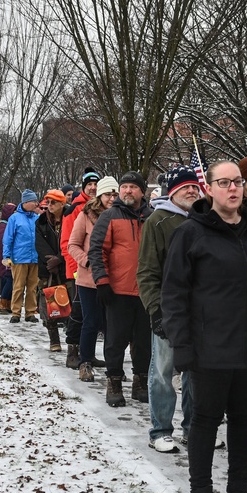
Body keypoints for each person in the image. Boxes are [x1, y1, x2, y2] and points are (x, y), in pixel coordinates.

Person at [162, 160, 247, 493]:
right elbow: (173, 294)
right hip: (208, 346)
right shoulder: (191, 234)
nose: (232, 188)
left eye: (237, 182)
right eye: (223, 182)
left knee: (243, 421)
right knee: (205, 422)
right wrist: (182, 346)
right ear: (210, 188)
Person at [137, 167, 201, 453]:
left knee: (196, 372)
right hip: (168, 309)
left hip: (201, 311)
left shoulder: (204, 220)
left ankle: (193, 429)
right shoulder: (157, 222)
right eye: (185, 187)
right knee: (163, 370)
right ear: (172, 191)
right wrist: (155, 310)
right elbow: (147, 270)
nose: (191, 191)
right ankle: (160, 429)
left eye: (195, 187)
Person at [88, 173, 149, 406]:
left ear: (142, 191)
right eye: (124, 187)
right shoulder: (110, 216)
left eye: (133, 187)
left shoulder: (151, 217)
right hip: (117, 291)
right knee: (115, 340)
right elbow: (97, 250)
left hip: (146, 291)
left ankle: (140, 380)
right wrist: (102, 282)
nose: (127, 191)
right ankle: (114, 382)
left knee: (144, 342)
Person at [68, 178, 115, 383]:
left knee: (111, 324)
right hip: (89, 279)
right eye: (107, 195)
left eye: (115, 195)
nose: (112, 199)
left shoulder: (120, 216)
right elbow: (73, 245)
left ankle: (113, 365)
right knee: (91, 322)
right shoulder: (85, 216)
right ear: (100, 196)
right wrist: (88, 262)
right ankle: (84, 361)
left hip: (114, 278)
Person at [61, 169, 100, 370]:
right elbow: (68, 243)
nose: (92, 188)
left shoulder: (102, 208)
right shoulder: (75, 209)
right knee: (78, 315)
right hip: (78, 271)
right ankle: (73, 352)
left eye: (96, 184)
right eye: (89, 185)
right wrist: (77, 269)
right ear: (83, 187)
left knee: (91, 316)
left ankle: (89, 354)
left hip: (95, 273)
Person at [36, 189, 69, 351]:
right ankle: (54, 339)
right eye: (48, 202)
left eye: (53, 202)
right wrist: (51, 261)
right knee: (50, 303)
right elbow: (39, 244)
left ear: (62, 203)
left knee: (70, 302)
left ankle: (72, 342)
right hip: (47, 267)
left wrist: (60, 258)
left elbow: (72, 240)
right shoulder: (41, 221)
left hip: (66, 265)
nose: (49, 205)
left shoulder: (70, 217)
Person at [2, 189, 41, 323]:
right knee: (18, 286)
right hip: (19, 258)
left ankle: (30, 312)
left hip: (34, 258)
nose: (36, 203)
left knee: (32, 287)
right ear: (26, 202)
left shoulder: (37, 218)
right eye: (34, 201)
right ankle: (16, 312)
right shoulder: (14, 218)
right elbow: (8, 238)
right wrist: (6, 256)